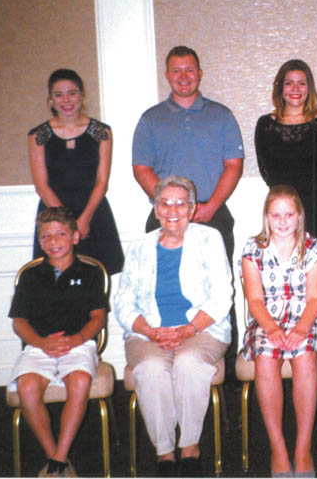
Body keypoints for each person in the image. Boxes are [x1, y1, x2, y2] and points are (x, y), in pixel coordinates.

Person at [131, 45, 244, 386]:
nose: (183, 76)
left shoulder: (221, 115)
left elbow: (233, 166)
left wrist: (204, 209)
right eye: (176, 71)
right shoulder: (151, 119)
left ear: (200, 73)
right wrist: (170, 208)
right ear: (167, 75)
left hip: (213, 213)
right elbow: (141, 168)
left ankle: (226, 380)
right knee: (162, 291)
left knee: (219, 293)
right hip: (164, 220)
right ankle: (164, 364)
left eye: (190, 70)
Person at [113, 176, 233, 477]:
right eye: (165, 202)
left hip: (202, 329)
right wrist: (151, 331)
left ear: (192, 210)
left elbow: (222, 296)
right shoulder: (139, 247)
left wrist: (188, 330)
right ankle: (164, 452)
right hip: (149, 332)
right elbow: (124, 302)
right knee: (151, 369)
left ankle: (190, 447)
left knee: (188, 362)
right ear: (155, 209)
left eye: (181, 203)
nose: (173, 209)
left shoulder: (209, 238)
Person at [8, 207, 109, 478]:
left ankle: (59, 458)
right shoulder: (30, 276)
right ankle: (56, 456)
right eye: (46, 237)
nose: (53, 242)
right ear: (39, 242)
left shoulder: (91, 273)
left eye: (60, 234)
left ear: (75, 237)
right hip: (39, 345)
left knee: (78, 381)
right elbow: (19, 322)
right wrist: (41, 343)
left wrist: (76, 339)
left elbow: (98, 318)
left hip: (79, 343)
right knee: (27, 386)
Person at [239, 185, 317, 477]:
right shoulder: (253, 248)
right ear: (266, 216)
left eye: (288, 214)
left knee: (304, 356)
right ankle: (278, 449)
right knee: (266, 357)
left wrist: (302, 327)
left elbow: (316, 298)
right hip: (266, 318)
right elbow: (254, 299)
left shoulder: (312, 247)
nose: (282, 221)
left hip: (307, 317)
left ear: (299, 215)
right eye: (275, 215)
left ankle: (302, 449)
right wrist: (272, 328)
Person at [28, 69, 124, 274]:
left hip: (93, 213)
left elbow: (102, 181)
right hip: (54, 215)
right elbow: (41, 186)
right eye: (58, 94)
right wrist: (66, 226)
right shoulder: (38, 135)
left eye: (72, 93)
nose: (66, 100)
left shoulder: (102, 132)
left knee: (97, 279)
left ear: (82, 95)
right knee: (54, 280)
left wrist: (84, 220)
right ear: (50, 100)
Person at [255, 59, 317, 256]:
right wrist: (287, 206)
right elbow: (266, 172)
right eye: (289, 83)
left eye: (302, 83)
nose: (295, 88)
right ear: (280, 88)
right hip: (282, 213)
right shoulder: (265, 125)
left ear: (309, 88)